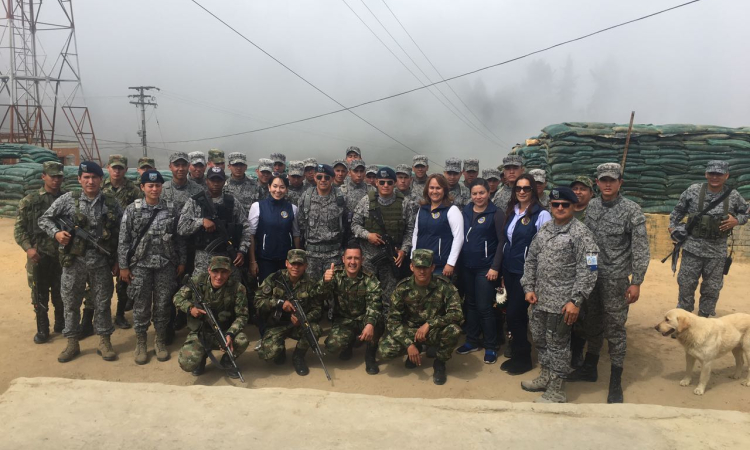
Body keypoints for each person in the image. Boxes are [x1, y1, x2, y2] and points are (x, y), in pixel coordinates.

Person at [569, 162, 650, 404]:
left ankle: (616, 380)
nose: (607, 184)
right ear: (597, 183)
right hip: (593, 277)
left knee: (615, 329)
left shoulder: (631, 210)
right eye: (603, 179)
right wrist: (590, 270)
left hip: (616, 280)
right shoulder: (591, 206)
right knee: (592, 324)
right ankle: (590, 367)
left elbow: (641, 249)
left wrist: (636, 282)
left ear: (619, 183)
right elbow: (589, 242)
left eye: (612, 180)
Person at [520, 187, 599, 403]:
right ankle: (546, 376)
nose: (560, 208)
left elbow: (590, 269)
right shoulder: (545, 230)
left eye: (565, 204)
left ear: (573, 206)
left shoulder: (581, 233)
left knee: (558, 346)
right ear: (551, 207)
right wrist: (528, 287)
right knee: (541, 341)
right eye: (556, 204)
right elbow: (531, 260)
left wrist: (576, 301)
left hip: (563, 304)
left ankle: (557, 389)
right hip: (540, 301)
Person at [39, 161, 123, 363]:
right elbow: (44, 219)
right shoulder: (68, 199)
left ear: (101, 179)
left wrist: (119, 260)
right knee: (71, 303)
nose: (90, 181)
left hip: (101, 261)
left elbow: (122, 233)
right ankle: (72, 342)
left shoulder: (110, 202)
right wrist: (57, 233)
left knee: (102, 303)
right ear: (79, 179)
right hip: (73, 262)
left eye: (94, 177)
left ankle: (104, 341)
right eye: (86, 177)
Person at [118, 170, 186, 365]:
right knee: (141, 304)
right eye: (150, 185)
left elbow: (179, 237)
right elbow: (124, 239)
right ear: (142, 187)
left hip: (165, 264)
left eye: (157, 186)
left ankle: (160, 341)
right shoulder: (132, 210)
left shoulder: (172, 209)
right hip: (140, 265)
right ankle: (141, 342)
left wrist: (181, 261)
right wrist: (123, 266)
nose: (154, 189)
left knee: (164, 304)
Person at [669, 160, 748, 317]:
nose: (714, 177)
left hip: (717, 252)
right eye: (711, 173)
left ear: (726, 175)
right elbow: (677, 211)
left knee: (712, 288)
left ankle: (704, 319)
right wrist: (673, 228)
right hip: (692, 249)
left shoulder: (733, 195)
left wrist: (736, 220)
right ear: (706, 174)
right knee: (686, 285)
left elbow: (746, 212)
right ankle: (684, 318)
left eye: (719, 174)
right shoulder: (693, 191)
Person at [377, 249, 463, 385]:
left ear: (432, 267)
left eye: (426, 267)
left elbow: (457, 314)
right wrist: (409, 344)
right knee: (385, 350)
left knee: (454, 330)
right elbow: (393, 321)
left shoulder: (444, 286)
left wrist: (430, 324)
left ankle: (439, 363)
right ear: (411, 267)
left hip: (434, 331)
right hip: (411, 331)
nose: (422, 271)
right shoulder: (402, 288)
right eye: (418, 267)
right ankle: (415, 350)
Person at [500, 173, 552, 375]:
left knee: (516, 314)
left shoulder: (541, 215)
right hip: (510, 270)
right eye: (518, 188)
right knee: (513, 316)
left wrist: (536, 277)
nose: (522, 192)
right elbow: (508, 242)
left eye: (526, 188)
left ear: (534, 190)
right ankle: (518, 355)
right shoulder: (512, 211)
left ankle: (524, 358)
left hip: (527, 273)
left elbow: (545, 249)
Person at [15, 161, 66, 343]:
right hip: (38, 256)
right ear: (43, 176)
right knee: (39, 293)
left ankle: (62, 323)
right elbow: (19, 229)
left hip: (61, 256)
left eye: (59, 176)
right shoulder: (30, 201)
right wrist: (28, 248)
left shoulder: (66, 199)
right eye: (52, 176)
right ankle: (43, 328)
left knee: (62, 293)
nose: (56, 180)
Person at [174, 256, 249, 379]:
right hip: (201, 332)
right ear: (209, 270)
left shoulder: (237, 288)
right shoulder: (197, 282)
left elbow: (243, 316)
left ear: (229, 272)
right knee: (187, 363)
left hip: (223, 331)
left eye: (224, 272)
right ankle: (201, 357)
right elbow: (177, 297)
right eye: (215, 271)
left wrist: (230, 334)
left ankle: (227, 361)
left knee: (242, 340)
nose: (219, 277)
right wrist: (190, 308)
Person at [351, 167, 416, 309]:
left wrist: (403, 251)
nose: (385, 185)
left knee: (390, 296)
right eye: (382, 182)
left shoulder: (405, 203)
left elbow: (410, 230)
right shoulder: (366, 201)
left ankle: (388, 324)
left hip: (391, 257)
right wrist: (368, 236)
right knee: (367, 293)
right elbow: (354, 225)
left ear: (394, 183)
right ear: (376, 183)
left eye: (389, 182)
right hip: (369, 257)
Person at [456, 179, 505, 364]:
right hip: (467, 266)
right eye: (475, 193)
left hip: (486, 268)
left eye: (481, 193)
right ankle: (472, 340)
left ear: (488, 193)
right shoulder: (466, 210)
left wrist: (495, 267)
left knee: (485, 307)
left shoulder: (496, 213)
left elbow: (502, 242)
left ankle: (491, 346)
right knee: (470, 304)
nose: (478, 197)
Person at [254, 250, 325, 376]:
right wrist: (279, 303)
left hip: (297, 325)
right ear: (287, 263)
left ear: (306, 266)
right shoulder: (274, 279)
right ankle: (280, 348)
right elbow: (257, 302)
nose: (296, 267)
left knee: (314, 330)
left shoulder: (311, 283)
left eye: (300, 264)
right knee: (267, 354)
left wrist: (303, 319)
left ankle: (298, 356)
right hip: (276, 324)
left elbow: (318, 309)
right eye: (293, 264)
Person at [177, 166, 251, 278]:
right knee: (200, 291)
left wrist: (242, 251)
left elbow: (246, 228)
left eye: (219, 180)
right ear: (207, 181)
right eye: (212, 180)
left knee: (232, 291)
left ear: (224, 181)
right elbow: (181, 228)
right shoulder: (195, 201)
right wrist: (201, 222)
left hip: (229, 257)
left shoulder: (232, 202)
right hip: (204, 258)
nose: (215, 184)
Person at [321, 244, 383, 374]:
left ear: (362, 260)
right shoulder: (335, 275)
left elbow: (375, 303)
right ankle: (348, 344)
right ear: (343, 259)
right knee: (332, 345)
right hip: (344, 320)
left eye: (356, 258)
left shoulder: (370, 278)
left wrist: (370, 323)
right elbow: (322, 297)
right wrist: (325, 282)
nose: (352, 262)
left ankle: (370, 356)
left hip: (364, 319)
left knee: (378, 322)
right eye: (349, 258)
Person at [102, 154, 141, 330]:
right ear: (108, 168)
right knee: (100, 280)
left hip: (126, 241)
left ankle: (119, 315)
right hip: (103, 242)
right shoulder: (100, 187)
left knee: (124, 280)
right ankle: (98, 315)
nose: (117, 171)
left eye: (120, 168)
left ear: (126, 170)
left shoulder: (134, 191)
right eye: (114, 167)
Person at [297, 164, 347, 280]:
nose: (323, 180)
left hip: (334, 254)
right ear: (315, 178)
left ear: (332, 179)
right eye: (319, 177)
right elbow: (301, 224)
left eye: (327, 177)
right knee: (311, 291)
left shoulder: (341, 198)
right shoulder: (306, 198)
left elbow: (346, 225)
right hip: (311, 256)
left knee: (332, 291)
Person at [249, 173, 301, 283]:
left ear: (286, 189)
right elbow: (251, 235)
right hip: (265, 260)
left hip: (286, 260)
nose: (278, 190)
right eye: (275, 186)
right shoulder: (257, 206)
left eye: (282, 187)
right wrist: (253, 261)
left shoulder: (293, 208)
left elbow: (296, 235)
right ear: (269, 187)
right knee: (266, 293)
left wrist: (297, 259)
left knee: (286, 291)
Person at [412, 173, 464, 279]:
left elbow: (459, 238)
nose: (434, 191)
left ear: (444, 190)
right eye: (431, 188)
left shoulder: (452, 210)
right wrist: (413, 258)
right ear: (427, 189)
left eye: (438, 188)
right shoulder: (422, 209)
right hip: (421, 264)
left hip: (441, 266)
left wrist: (450, 263)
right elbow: (416, 234)